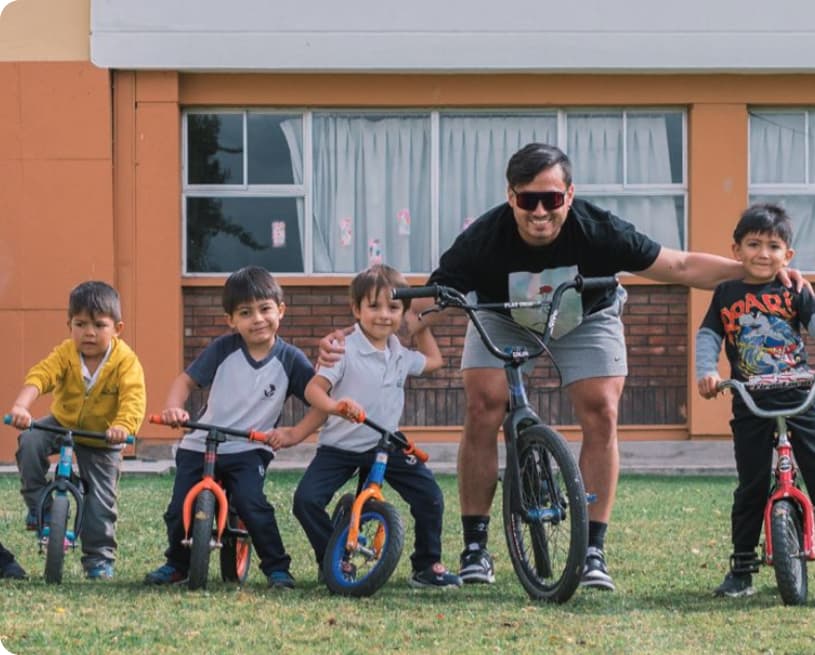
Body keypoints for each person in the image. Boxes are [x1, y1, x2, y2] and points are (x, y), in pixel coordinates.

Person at [318, 143, 811, 592]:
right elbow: (431, 299)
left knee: (602, 410)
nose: (539, 212)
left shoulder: (598, 228)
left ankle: (592, 549)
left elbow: (679, 267)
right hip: (502, 316)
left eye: (551, 200)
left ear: (568, 195)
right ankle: (475, 546)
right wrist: (355, 334)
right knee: (484, 404)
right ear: (511, 197)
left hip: (584, 316)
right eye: (528, 199)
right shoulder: (484, 239)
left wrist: (757, 270)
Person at [280, 264, 462, 589]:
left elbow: (434, 362)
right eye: (373, 306)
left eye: (393, 308)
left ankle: (426, 566)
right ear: (356, 309)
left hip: (386, 444)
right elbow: (313, 390)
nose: (384, 315)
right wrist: (336, 406)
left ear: (403, 312)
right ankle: (332, 557)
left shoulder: (401, 354)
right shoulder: (342, 350)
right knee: (305, 501)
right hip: (340, 448)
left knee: (430, 496)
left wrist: (419, 328)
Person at [144, 265, 321, 590]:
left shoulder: (291, 360)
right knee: (178, 508)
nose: (257, 319)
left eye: (265, 309)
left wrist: (295, 433)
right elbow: (186, 381)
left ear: (280, 311)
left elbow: (322, 402)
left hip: (249, 447)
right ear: (231, 320)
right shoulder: (223, 349)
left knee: (253, 503)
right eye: (245, 312)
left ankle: (277, 568)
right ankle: (177, 564)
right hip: (202, 442)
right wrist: (174, 407)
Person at [696, 203, 815, 598]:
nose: (763, 254)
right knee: (750, 485)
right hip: (751, 400)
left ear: (788, 255)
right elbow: (709, 336)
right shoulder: (726, 294)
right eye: (753, 244)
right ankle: (742, 567)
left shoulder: (794, 289)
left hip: (800, 396)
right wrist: (707, 372)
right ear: (736, 250)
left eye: (773, 246)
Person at [6, 281, 146, 580]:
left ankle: (98, 558)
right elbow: (41, 376)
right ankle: (38, 505)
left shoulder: (125, 362)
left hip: (103, 435)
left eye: (99, 325)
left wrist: (123, 426)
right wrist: (21, 406)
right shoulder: (66, 353)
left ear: (117, 328)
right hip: (62, 423)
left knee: (101, 501)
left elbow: (134, 398)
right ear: (69, 324)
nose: (89, 333)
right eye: (80, 324)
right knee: (30, 440)